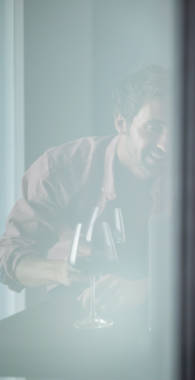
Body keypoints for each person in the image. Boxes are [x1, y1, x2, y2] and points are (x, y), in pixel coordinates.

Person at [0, 65, 169, 312]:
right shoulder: (60, 168)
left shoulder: (186, 175)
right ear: (121, 122)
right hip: (71, 318)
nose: (167, 144)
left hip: (162, 318)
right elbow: (7, 257)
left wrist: (146, 288)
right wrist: (61, 270)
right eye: (153, 128)